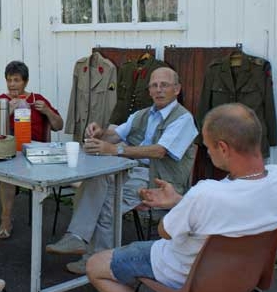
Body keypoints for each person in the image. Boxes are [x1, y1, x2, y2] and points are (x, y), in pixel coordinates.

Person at [86, 103, 277, 292]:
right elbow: (234, 207)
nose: (208, 153)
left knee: (95, 265)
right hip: (245, 276)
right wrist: (180, 201)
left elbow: (165, 232)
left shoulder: (205, 193)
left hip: (188, 277)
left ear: (223, 148)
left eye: (208, 147)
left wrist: (182, 206)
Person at [46, 67, 198, 274]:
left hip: (159, 180)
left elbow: (160, 151)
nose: (158, 90)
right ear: (149, 90)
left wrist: (115, 150)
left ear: (177, 89)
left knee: (109, 199)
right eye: (154, 85)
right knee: (95, 178)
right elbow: (116, 135)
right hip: (130, 169)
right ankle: (76, 237)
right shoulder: (143, 114)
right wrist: (100, 132)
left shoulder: (183, 118)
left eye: (164, 85)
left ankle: (100, 262)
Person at [0, 60, 64, 239]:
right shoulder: (0, 100)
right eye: (9, 80)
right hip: (8, 151)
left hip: (35, 152)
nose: (12, 84)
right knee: (8, 170)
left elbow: (59, 125)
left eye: (16, 80)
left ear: (26, 81)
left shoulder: (36, 99)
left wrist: (47, 111)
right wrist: (8, 109)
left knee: (6, 167)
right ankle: (6, 219)